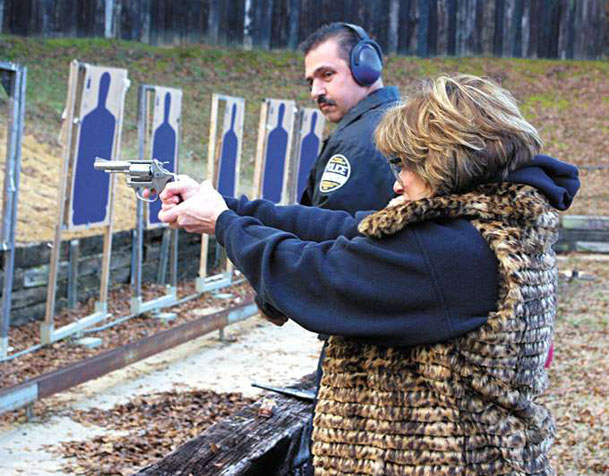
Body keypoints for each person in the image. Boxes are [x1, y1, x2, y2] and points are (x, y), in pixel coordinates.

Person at [157, 74, 579, 475]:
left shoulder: (452, 249)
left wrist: (224, 225)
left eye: (408, 164)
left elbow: (317, 279)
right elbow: (344, 227)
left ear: (447, 163)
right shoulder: (488, 225)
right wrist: (228, 207)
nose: (398, 183)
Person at [299, 22, 399, 214]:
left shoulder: (356, 144)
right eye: (311, 82)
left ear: (366, 67)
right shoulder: (400, 121)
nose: (315, 92)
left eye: (327, 75)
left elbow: (327, 234)